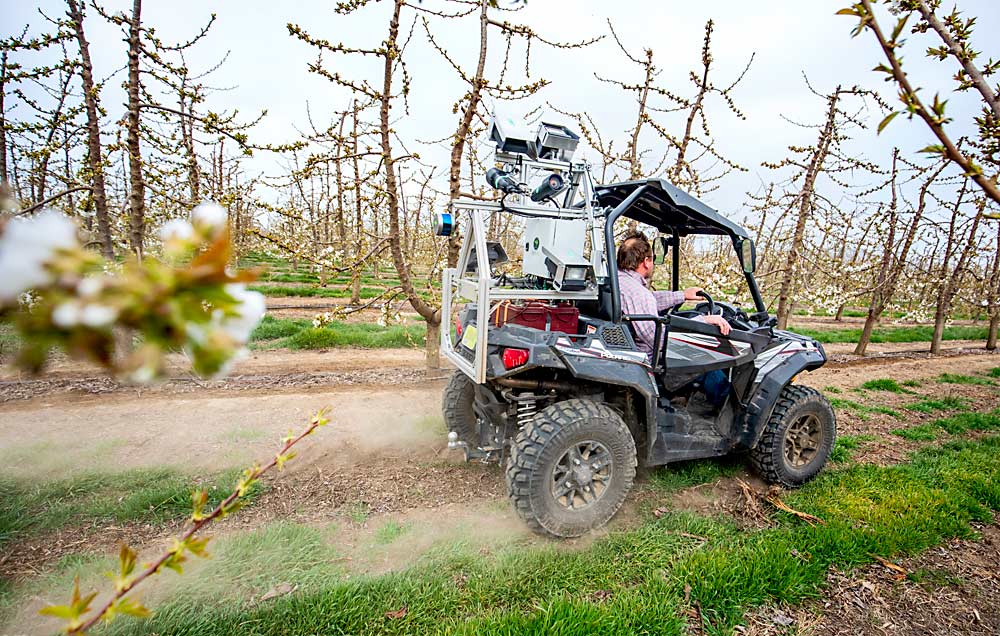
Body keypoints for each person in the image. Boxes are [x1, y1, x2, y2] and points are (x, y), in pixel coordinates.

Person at [617, 231, 731, 407]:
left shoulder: (620, 282)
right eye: (652, 259)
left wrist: (683, 295)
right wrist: (702, 322)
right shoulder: (639, 294)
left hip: (628, 349)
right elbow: (660, 340)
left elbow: (650, 299)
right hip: (650, 360)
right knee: (709, 359)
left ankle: (683, 397)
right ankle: (725, 406)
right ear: (646, 262)